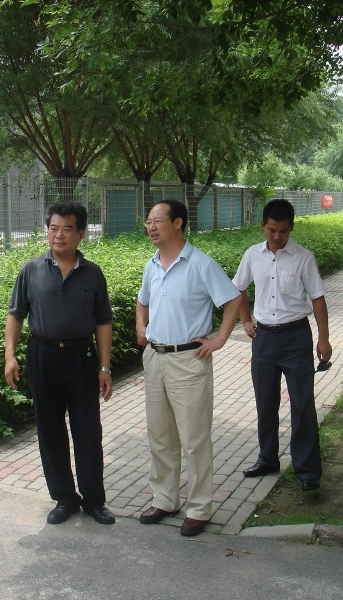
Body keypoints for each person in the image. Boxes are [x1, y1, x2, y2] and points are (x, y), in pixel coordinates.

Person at [4, 201, 115, 526]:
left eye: (67, 229)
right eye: (53, 228)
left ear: (81, 234)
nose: (58, 235)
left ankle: (94, 500)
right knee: (50, 429)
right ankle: (65, 498)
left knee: (87, 430)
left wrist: (104, 367)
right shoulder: (31, 270)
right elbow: (16, 315)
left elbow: (103, 322)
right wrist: (10, 355)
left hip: (82, 358)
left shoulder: (92, 273)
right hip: (43, 355)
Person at [135, 200, 241, 536]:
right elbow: (142, 300)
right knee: (160, 436)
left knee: (194, 439)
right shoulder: (152, 264)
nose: (151, 227)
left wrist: (220, 339)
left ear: (178, 223)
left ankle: (199, 508)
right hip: (155, 358)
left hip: (189, 360)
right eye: (148, 222)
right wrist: (140, 324)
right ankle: (165, 499)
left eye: (157, 221)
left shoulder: (200, 264)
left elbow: (233, 299)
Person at [232, 198, 332, 491]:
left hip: (296, 338)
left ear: (292, 228)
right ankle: (267, 459)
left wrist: (323, 338)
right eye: (272, 230)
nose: (277, 236)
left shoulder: (304, 258)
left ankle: (308, 470)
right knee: (265, 402)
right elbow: (238, 289)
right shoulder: (252, 255)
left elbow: (318, 298)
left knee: (302, 404)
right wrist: (245, 321)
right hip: (263, 339)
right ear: (262, 226)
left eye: (284, 231)